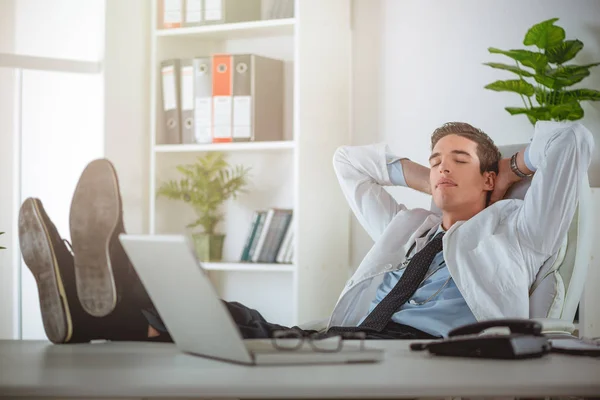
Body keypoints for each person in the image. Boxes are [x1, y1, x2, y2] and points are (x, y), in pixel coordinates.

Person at [19, 121, 594, 344]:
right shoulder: (408, 229)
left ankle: (102, 282)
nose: (441, 165)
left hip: (420, 352)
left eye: (459, 159)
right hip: (345, 341)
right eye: (434, 158)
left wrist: (505, 178)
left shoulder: (517, 231)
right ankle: (95, 301)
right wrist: (435, 184)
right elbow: (349, 162)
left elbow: (571, 142)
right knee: (223, 318)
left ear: (490, 175)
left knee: (232, 329)